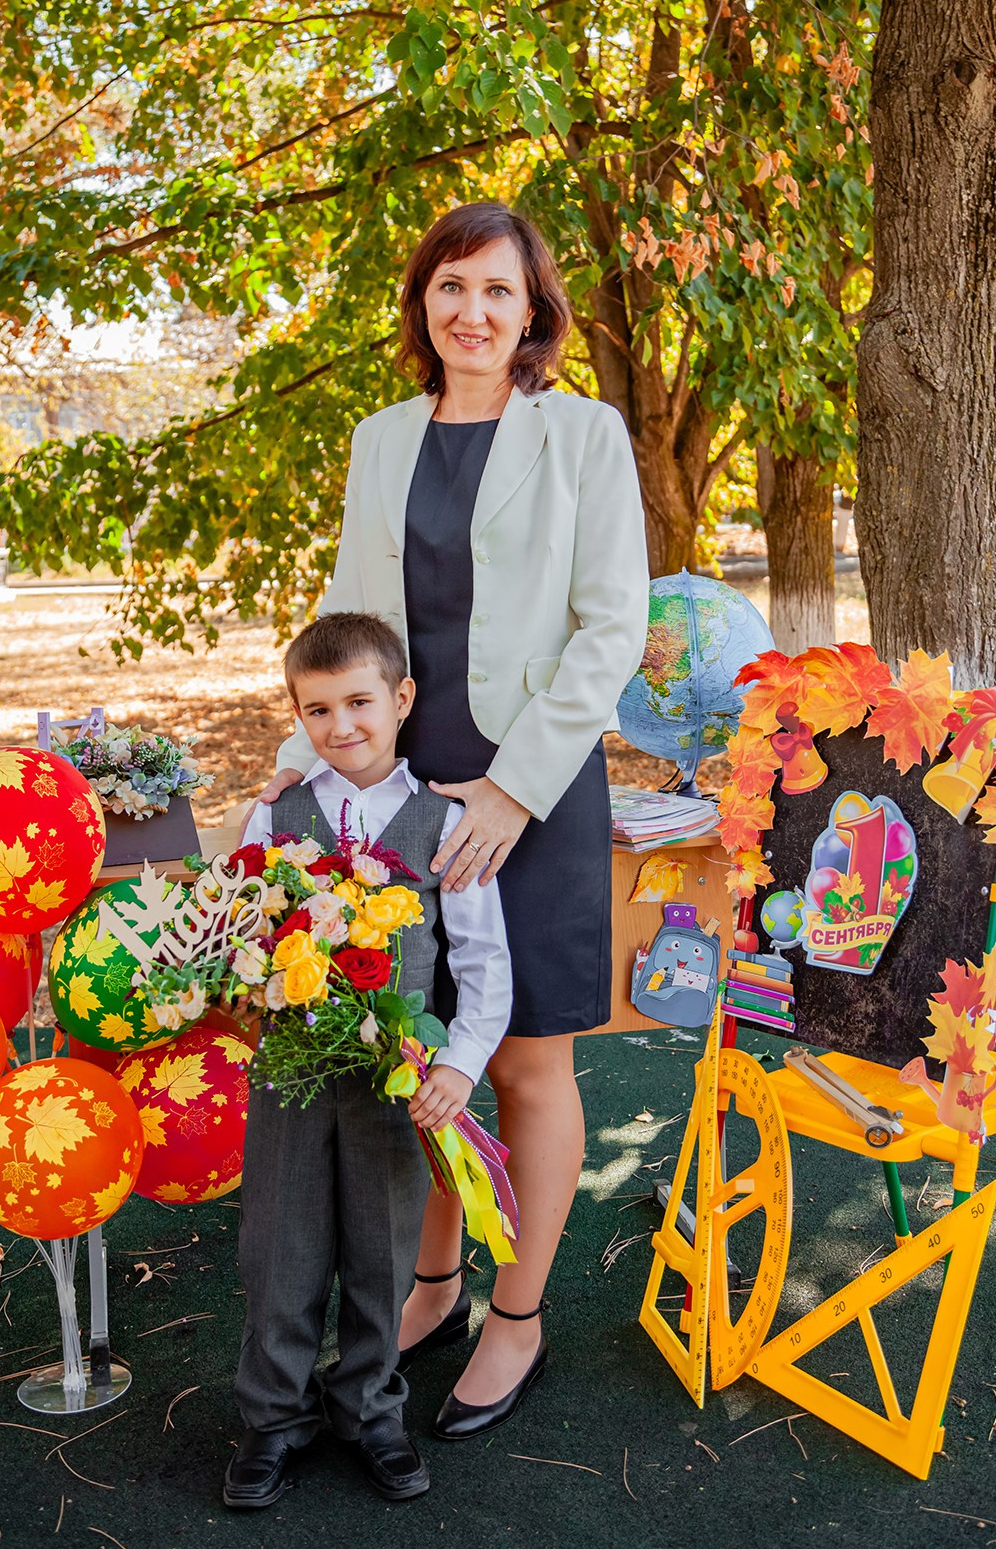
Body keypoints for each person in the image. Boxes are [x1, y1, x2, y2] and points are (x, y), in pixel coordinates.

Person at [255, 200, 649, 1439]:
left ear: (532, 309)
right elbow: (349, 619)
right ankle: (429, 1280)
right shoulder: (381, 439)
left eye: (495, 290)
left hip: (529, 789)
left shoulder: (582, 434)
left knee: (525, 1055)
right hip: (401, 799)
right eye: (447, 287)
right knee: (413, 1049)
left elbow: (611, 628)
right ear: (421, 304)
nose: (470, 311)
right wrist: (290, 764)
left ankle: (518, 1314)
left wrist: (515, 784)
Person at [225, 611, 512, 1509]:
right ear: (295, 716)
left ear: (401, 699)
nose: (339, 725)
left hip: (398, 1077)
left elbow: (480, 961)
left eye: (358, 702)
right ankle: (274, 1418)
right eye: (316, 710)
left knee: (384, 1251)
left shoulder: (449, 821)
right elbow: (234, 928)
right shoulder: (271, 810)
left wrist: (458, 1064)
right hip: (290, 1072)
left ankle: (369, 1411)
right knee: (279, 1247)